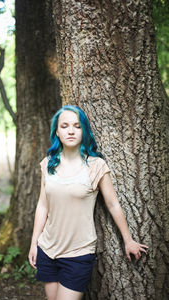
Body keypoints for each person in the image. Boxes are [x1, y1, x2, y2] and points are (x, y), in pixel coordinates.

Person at [28, 105, 148, 300]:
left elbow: (113, 204)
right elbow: (43, 205)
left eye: (77, 126)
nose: (71, 130)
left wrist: (128, 240)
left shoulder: (96, 165)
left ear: (84, 130)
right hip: (47, 249)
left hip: (78, 253)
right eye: (64, 126)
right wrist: (34, 244)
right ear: (57, 132)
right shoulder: (49, 163)